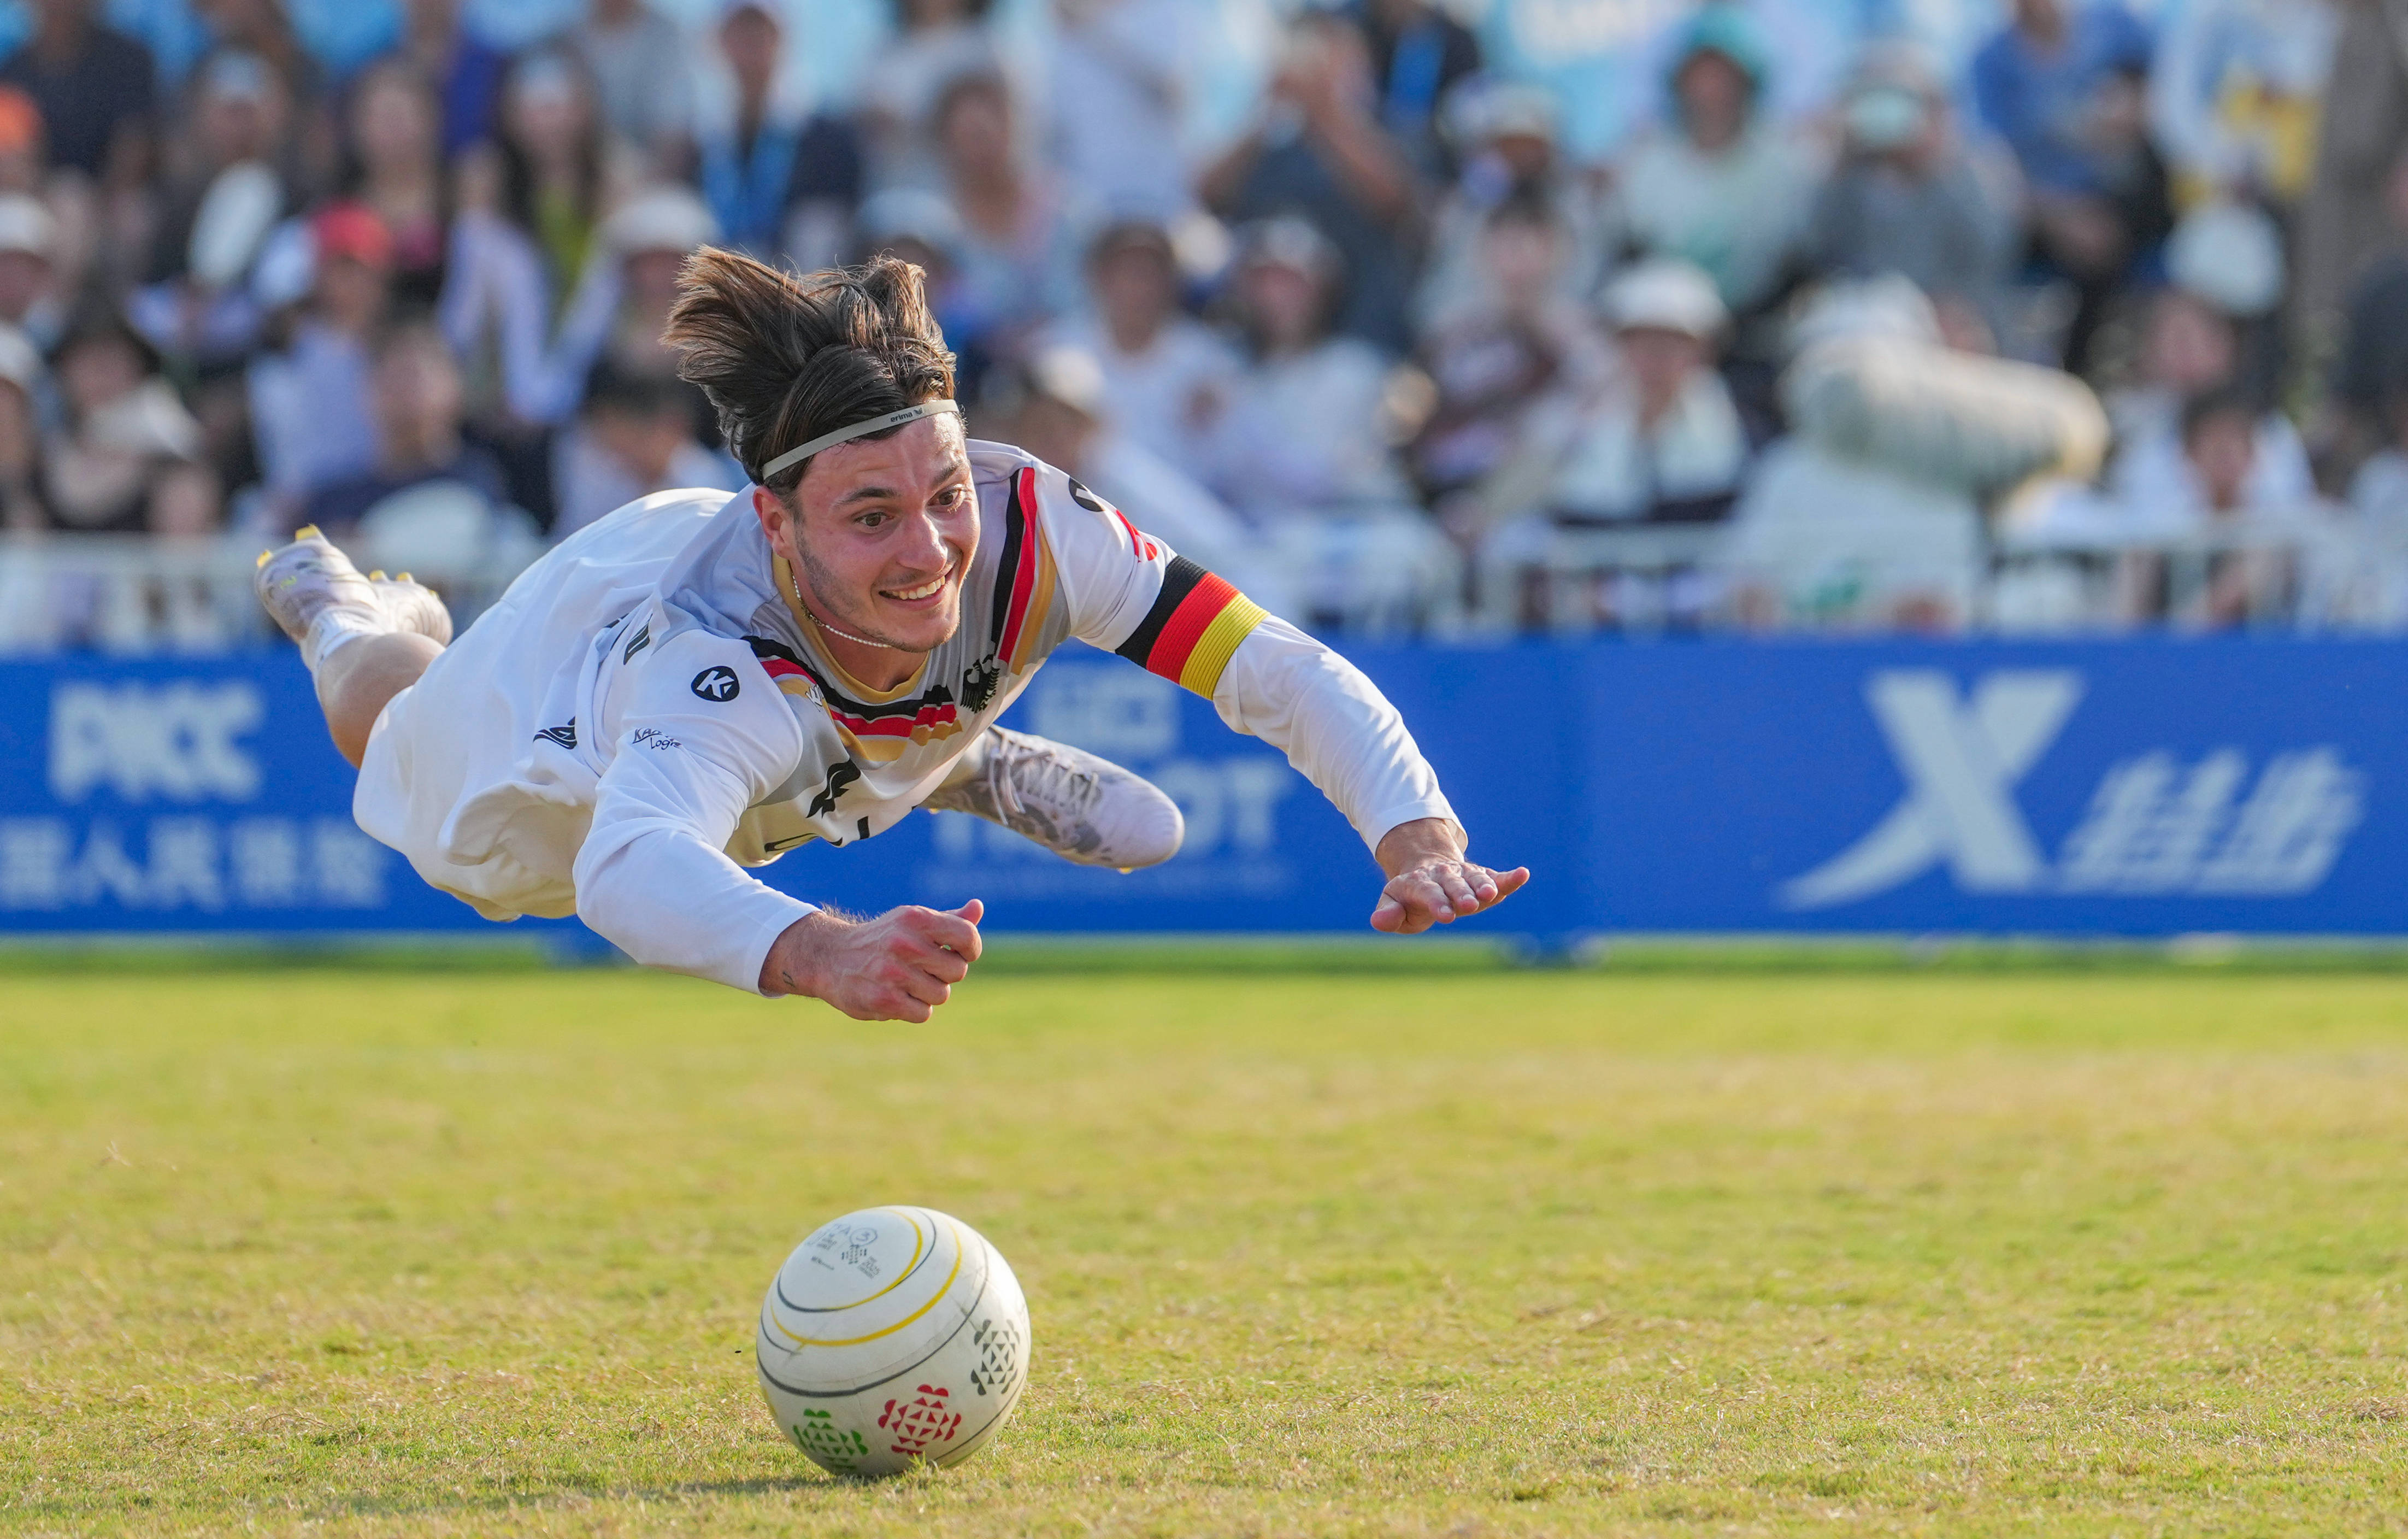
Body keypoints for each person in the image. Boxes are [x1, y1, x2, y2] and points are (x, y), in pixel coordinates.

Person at [251, 250, 1524, 1018]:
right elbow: (623, 873)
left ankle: (931, 750)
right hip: (580, 743)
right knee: (386, 729)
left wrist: (1415, 833)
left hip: (818, 720)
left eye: (942, 492)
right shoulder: (714, 652)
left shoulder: (1037, 521)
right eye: (870, 515)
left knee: (1151, 830)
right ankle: (334, 609)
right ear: (780, 522)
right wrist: (817, 948)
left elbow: (1272, 668)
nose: (927, 548)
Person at [1613, 5, 1816, 324]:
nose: (1713, 90)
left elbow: (1798, 257)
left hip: (1762, 324)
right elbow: (1630, 251)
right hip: (1665, 328)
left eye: (1725, 76)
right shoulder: (1646, 165)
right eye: (1702, 76)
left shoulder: (1788, 165)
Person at [1044, 219, 1238, 478]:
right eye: (1124, 272)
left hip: (1185, 506)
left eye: (1149, 273)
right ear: (1099, 278)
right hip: (1083, 506)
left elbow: (1235, 461)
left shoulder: (1209, 361)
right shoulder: (1055, 350)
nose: (1137, 286)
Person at [694, 1, 864, 268]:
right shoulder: (702, 139)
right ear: (720, 42)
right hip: (719, 291)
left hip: (798, 294)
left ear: (783, 40)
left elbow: (826, 239)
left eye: (762, 31)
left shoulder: (828, 138)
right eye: (740, 32)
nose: (751, 44)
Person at [0, 0, 156, 186]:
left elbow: (134, 146)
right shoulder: (13, 71)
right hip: (37, 196)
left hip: (111, 195)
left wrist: (102, 200)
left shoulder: (128, 60)